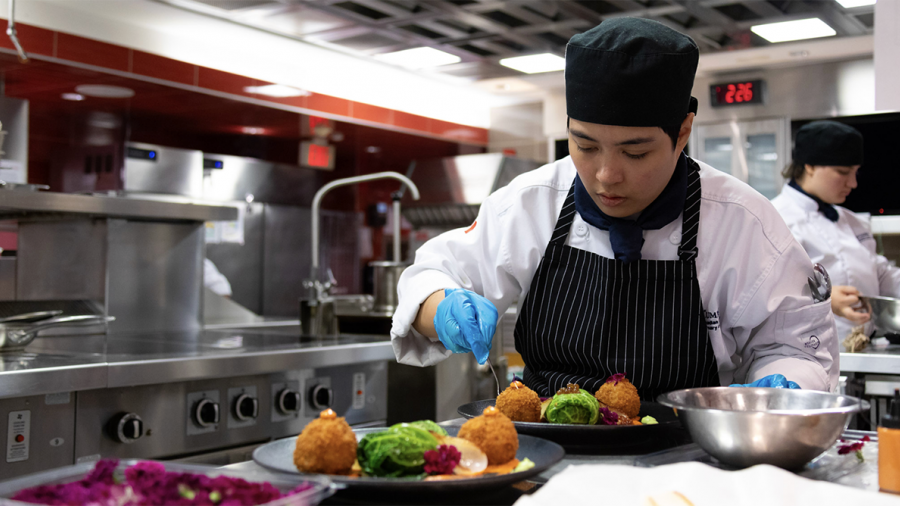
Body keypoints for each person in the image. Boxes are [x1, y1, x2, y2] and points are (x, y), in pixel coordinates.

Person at [390, 18, 837, 397]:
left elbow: (797, 349)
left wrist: (781, 390)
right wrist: (442, 307)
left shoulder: (743, 223)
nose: (606, 174)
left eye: (635, 152)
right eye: (584, 145)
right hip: (550, 453)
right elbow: (433, 276)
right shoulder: (533, 201)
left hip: (690, 463)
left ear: (682, 133)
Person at [772, 120, 900, 342]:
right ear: (809, 165)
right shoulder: (774, 218)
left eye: (855, 173)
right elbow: (765, 292)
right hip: (805, 353)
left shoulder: (853, 221)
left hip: (863, 348)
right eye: (843, 172)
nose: (853, 183)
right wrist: (822, 300)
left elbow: (882, 274)